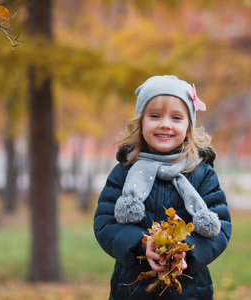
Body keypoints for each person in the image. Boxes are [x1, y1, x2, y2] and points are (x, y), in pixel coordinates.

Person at [93, 75, 232, 300]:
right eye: (155, 115)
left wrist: (183, 250)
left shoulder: (201, 173)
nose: (165, 124)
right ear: (141, 122)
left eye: (176, 117)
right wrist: (141, 244)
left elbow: (220, 226)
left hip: (189, 289)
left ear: (188, 126)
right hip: (132, 288)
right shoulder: (125, 171)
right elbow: (105, 223)